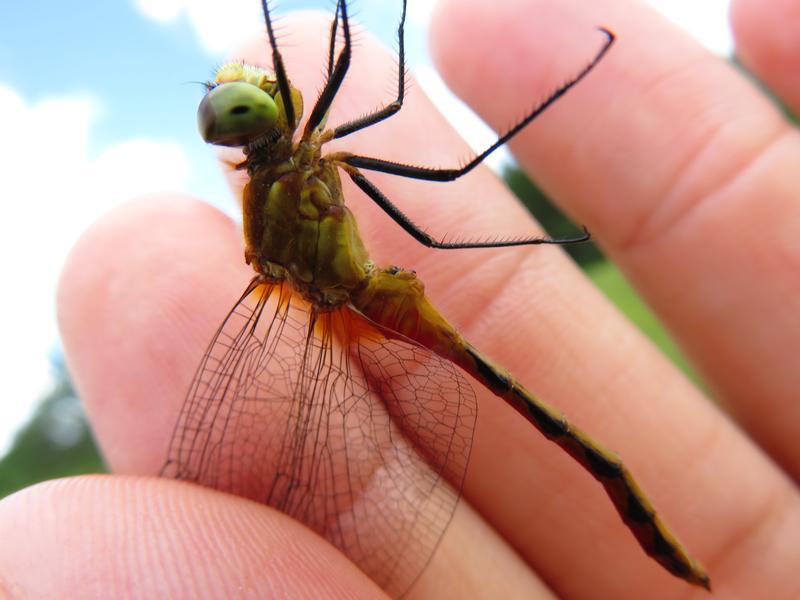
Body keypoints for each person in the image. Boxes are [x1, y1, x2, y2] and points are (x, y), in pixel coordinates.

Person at [2, 0, 798, 597]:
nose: (253, 91)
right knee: (445, 192)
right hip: (361, 304)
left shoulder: (290, 168)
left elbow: (344, 71)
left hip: (353, 300)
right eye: (241, 103)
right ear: (254, 128)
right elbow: (356, 74)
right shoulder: (297, 171)